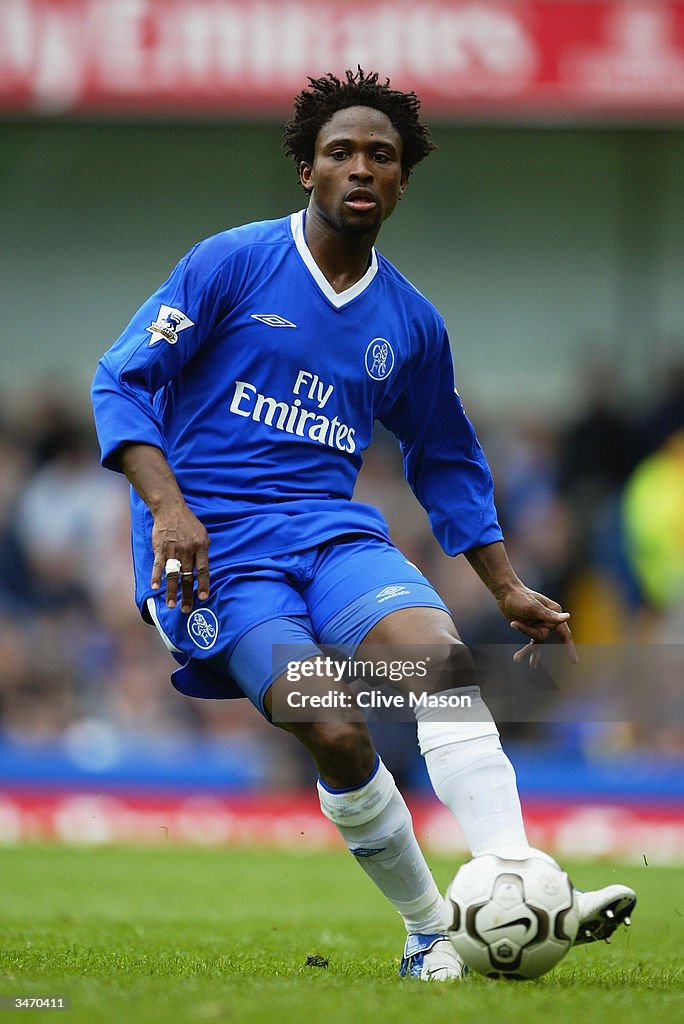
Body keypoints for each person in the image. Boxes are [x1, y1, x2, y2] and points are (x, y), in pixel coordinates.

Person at [92, 68, 635, 981]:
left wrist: (505, 585)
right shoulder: (232, 262)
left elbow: (448, 456)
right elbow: (122, 380)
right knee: (337, 727)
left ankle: (516, 873)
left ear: (401, 180)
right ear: (306, 168)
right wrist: (168, 509)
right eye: (339, 151)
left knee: (437, 661)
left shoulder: (411, 323)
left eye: (379, 156)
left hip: (331, 536)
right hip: (219, 555)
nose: (359, 168)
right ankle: (430, 931)